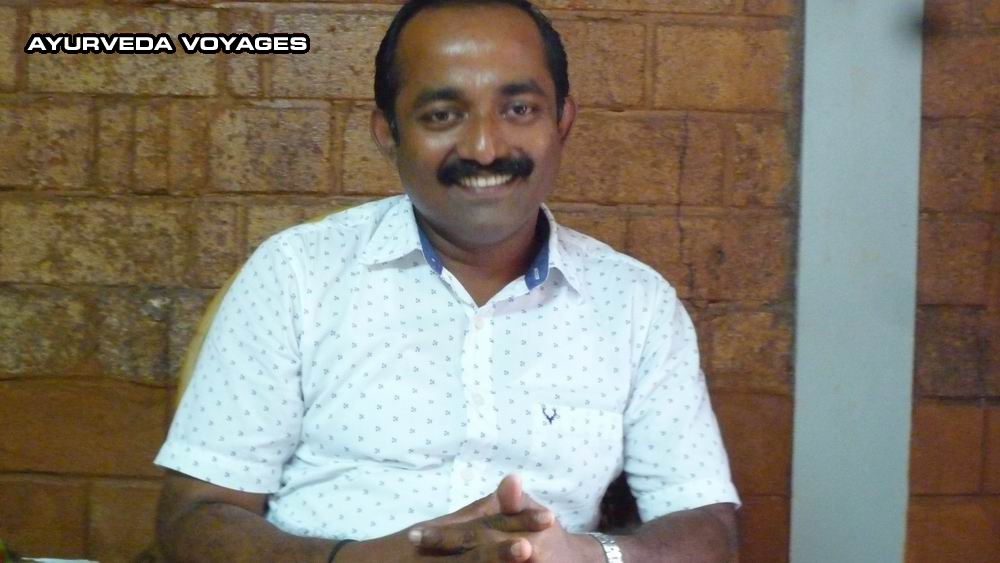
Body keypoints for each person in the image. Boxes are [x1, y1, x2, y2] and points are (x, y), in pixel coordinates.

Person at [153, 0, 740, 561]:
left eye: (519, 109)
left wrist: (588, 556)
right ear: (388, 133)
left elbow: (708, 527)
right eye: (441, 115)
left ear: (562, 122)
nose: (484, 148)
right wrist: (357, 562)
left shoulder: (635, 304)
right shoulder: (297, 275)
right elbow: (195, 516)